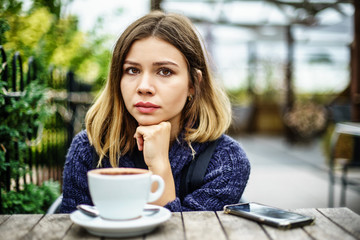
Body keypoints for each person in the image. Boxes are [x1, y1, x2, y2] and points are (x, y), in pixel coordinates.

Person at [60, 11, 250, 213]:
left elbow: (188, 233)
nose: (144, 87)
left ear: (193, 84)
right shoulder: (90, 148)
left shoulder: (226, 160)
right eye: (132, 70)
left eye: (165, 71)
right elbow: (72, 228)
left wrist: (159, 165)